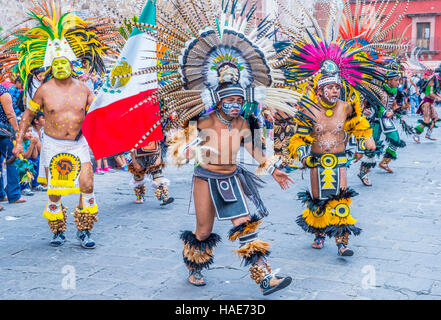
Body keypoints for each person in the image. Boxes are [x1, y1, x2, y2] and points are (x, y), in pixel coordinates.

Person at [108, 0, 314, 295]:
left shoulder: (244, 124)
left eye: (238, 101)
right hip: (205, 180)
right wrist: (184, 150)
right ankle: (194, 266)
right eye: (229, 101)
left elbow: (257, 153)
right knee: (203, 231)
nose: (234, 106)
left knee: (245, 226)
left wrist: (276, 170)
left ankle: (264, 277)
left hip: (232, 179)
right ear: (218, 101)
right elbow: (179, 147)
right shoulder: (202, 122)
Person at [7, 4, 117, 248]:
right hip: (53, 145)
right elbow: (26, 115)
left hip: (79, 143)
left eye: (64, 61)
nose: (60, 65)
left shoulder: (84, 89)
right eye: (55, 62)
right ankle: (57, 230)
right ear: (50, 64)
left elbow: (99, 114)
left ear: (71, 62)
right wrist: (17, 141)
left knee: (87, 185)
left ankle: (85, 230)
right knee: (55, 191)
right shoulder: (44, 91)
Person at [0, 84, 26, 207]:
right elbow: (10, 113)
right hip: (3, 132)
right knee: (12, 160)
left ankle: (1, 194)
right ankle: (14, 195)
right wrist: (16, 131)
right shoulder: (2, 91)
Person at [128, 140, 174, 205]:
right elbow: (130, 144)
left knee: (157, 175)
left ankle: (164, 197)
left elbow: (160, 141)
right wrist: (134, 160)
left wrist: (159, 157)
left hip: (153, 152)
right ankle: (140, 196)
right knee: (138, 175)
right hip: (138, 152)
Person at [413, 72, 441, 142]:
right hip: (426, 103)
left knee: (435, 118)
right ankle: (416, 134)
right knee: (427, 121)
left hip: (430, 103)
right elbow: (430, 93)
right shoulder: (432, 81)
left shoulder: (437, 81)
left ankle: (428, 134)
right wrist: (438, 98)